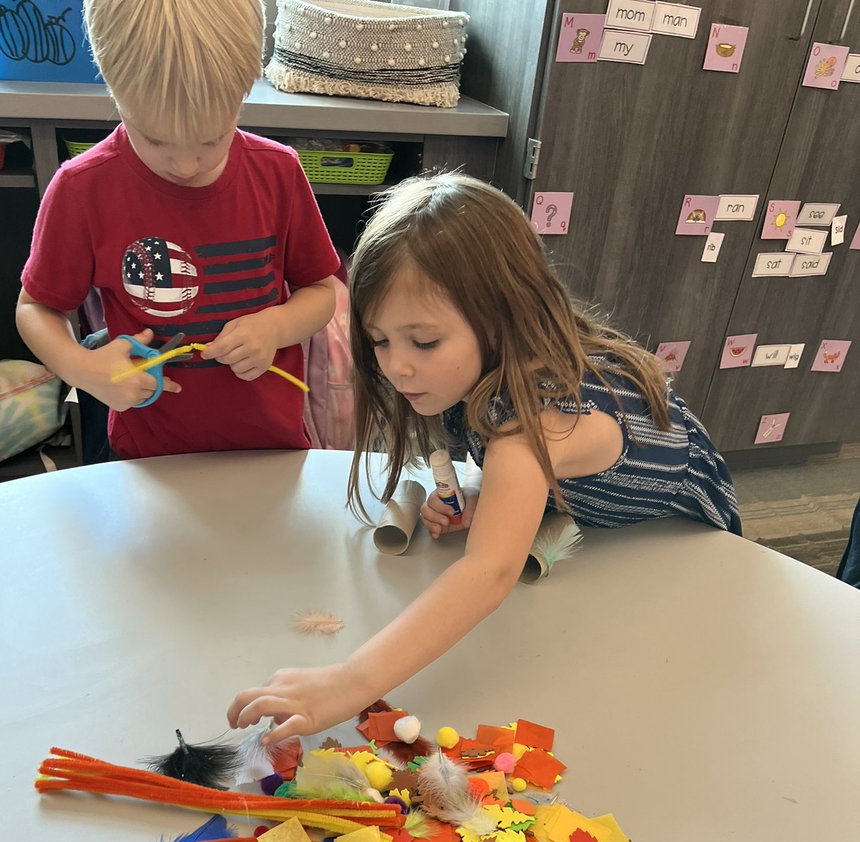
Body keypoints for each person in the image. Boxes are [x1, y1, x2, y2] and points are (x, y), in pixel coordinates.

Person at [227, 173, 741, 743]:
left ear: (502, 319)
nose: (396, 367)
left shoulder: (535, 424)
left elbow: (488, 571)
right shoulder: (485, 374)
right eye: (379, 340)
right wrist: (494, 497)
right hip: (597, 526)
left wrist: (350, 682)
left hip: (681, 543)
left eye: (423, 343)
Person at [16, 0, 340, 459]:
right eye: (155, 140)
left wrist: (277, 324)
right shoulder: (82, 188)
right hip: (149, 452)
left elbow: (321, 291)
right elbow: (35, 308)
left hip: (269, 445)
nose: (186, 165)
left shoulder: (278, 172)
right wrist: (81, 369)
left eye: (212, 139)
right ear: (113, 89)